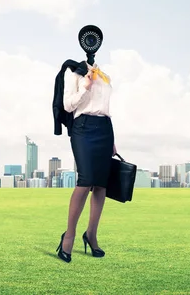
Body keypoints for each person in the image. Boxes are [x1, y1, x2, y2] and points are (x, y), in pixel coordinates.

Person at [55, 61, 116, 263]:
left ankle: (91, 235)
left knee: (101, 185)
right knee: (85, 180)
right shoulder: (75, 73)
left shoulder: (104, 75)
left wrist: (112, 141)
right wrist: (85, 86)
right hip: (83, 128)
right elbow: (68, 105)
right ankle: (69, 236)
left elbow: (105, 108)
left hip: (105, 129)